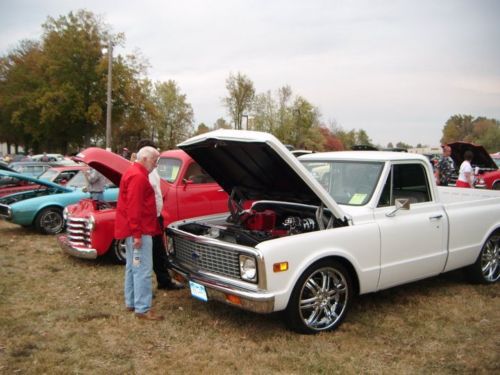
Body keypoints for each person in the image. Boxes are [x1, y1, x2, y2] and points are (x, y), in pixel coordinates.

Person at [115, 146, 164, 321]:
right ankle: (142, 308)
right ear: (145, 159)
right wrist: (137, 234)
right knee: (142, 269)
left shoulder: (133, 172)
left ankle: (132, 302)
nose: (155, 165)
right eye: (154, 161)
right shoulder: (138, 177)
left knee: (132, 266)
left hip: (133, 229)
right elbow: (134, 208)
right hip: (140, 229)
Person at [136, 139, 182, 291]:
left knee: (158, 250)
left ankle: (163, 280)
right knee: (148, 254)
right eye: (154, 158)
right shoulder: (141, 173)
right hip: (149, 219)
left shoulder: (152, 171)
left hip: (156, 216)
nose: (156, 162)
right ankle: (146, 286)